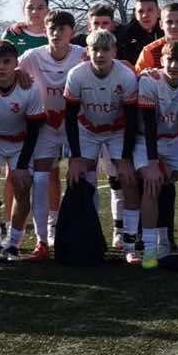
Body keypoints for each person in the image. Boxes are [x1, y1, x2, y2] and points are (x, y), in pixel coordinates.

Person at [62, 30, 142, 262]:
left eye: (105, 49)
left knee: (128, 178)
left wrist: (125, 159)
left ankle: (130, 245)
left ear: (114, 51)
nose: (100, 54)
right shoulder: (77, 74)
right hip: (87, 130)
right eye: (95, 49)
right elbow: (70, 117)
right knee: (78, 177)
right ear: (88, 51)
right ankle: (88, 237)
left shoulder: (125, 76)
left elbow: (131, 119)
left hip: (117, 130)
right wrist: (75, 157)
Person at [0, 40, 47, 261]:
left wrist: (21, 166)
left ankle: (13, 244)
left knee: (22, 186)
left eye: (6, 61)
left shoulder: (29, 88)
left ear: (16, 63)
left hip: (22, 143)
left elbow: (33, 130)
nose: (2, 66)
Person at [19, 10, 86, 257]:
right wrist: (17, 74)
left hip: (76, 124)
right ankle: (42, 240)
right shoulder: (32, 56)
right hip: (46, 125)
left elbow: (110, 65)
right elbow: (9, 72)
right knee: (40, 179)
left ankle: (84, 232)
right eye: (52, 29)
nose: (56, 33)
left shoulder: (83, 54)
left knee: (85, 177)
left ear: (72, 32)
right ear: (45, 31)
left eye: (62, 29)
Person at [136, 39, 178, 265]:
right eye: (169, 59)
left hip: (174, 140)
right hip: (147, 140)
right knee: (152, 183)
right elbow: (149, 124)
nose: (173, 65)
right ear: (161, 60)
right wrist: (153, 163)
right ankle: (150, 249)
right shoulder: (149, 80)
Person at [115, 0, 163, 64]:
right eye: (140, 11)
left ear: (158, 12)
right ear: (135, 14)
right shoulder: (123, 35)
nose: (145, 15)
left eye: (150, 10)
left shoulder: (168, 32)